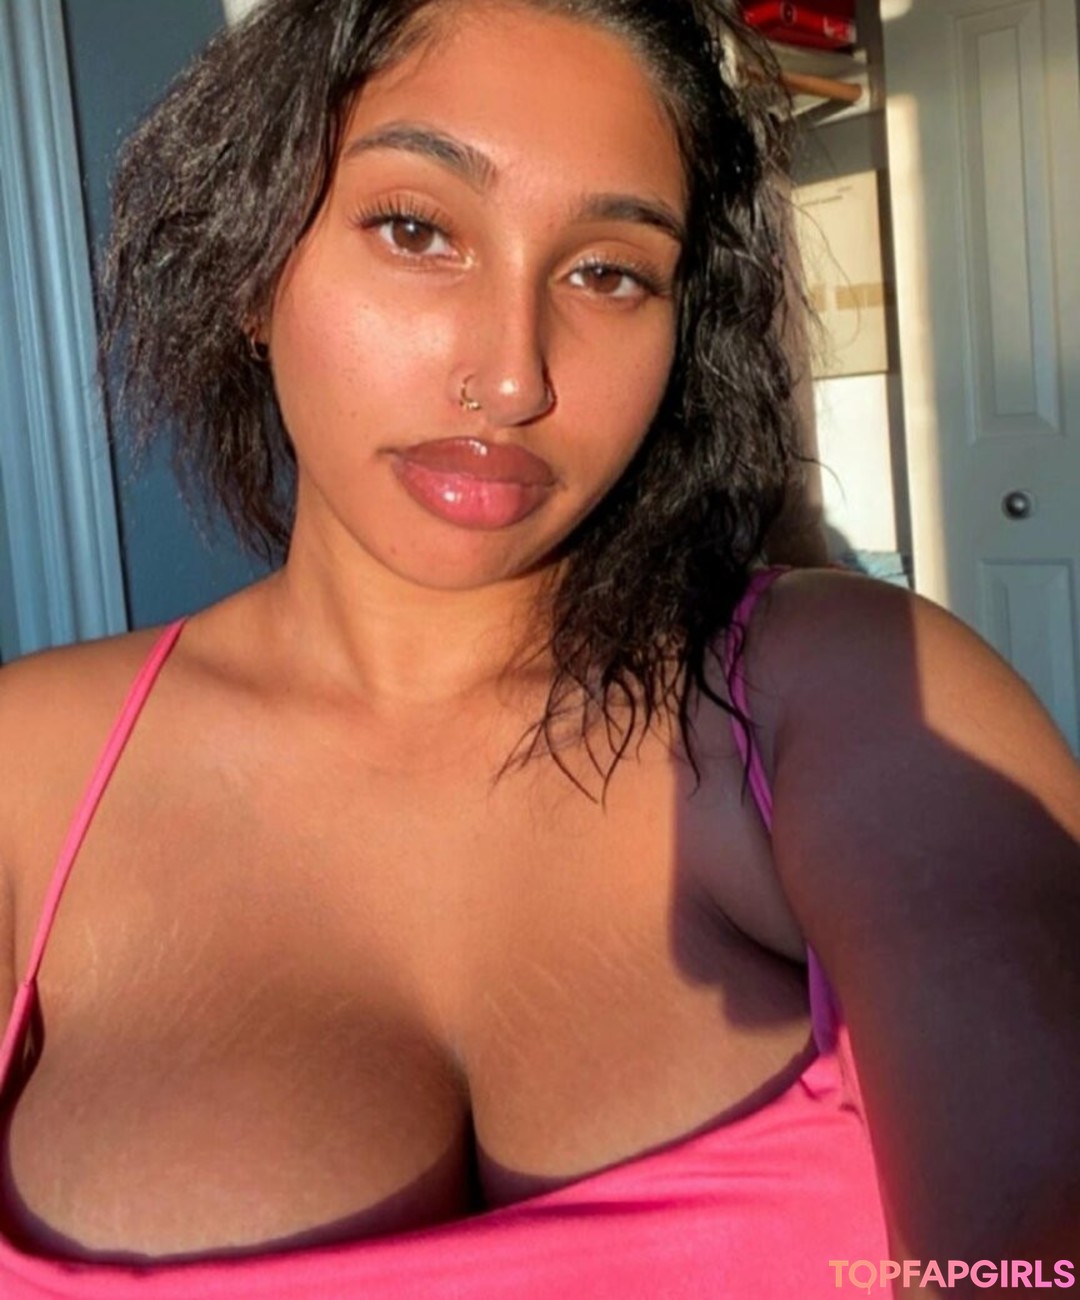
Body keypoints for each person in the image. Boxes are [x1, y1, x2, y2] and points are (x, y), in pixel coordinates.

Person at [0, 0, 1077, 1295]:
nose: (514, 378)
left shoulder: (849, 697)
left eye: (609, 272)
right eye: (417, 230)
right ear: (252, 267)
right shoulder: (26, 777)